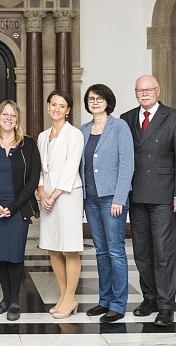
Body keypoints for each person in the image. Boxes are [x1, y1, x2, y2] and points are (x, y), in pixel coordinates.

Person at [120, 75, 176, 327]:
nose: (145, 93)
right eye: (140, 90)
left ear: (158, 91)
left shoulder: (174, 117)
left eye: (149, 89)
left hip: (163, 194)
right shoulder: (126, 118)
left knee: (163, 251)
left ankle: (166, 305)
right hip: (136, 194)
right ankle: (148, 298)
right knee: (142, 251)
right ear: (135, 93)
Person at [0, 100, 41, 321]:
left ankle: (14, 301)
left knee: (14, 256)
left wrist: (12, 207)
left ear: (17, 119)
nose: (9, 118)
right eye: (5, 114)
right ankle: (5, 299)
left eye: (13, 115)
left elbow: (33, 179)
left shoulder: (28, 145)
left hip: (18, 209)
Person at [79, 84, 134, 323]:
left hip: (112, 200)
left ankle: (118, 304)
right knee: (100, 252)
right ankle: (104, 300)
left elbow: (127, 165)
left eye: (99, 98)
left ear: (108, 101)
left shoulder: (119, 126)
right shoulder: (82, 130)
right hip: (90, 199)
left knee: (115, 251)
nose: (95, 102)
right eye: (91, 99)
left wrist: (120, 198)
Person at [36, 90, 84, 319]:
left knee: (70, 247)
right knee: (53, 247)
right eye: (53, 104)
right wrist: (42, 192)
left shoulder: (74, 135)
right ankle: (65, 297)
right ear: (48, 107)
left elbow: (70, 169)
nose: (56, 109)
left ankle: (70, 296)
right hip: (48, 198)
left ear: (68, 110)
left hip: (67, 196)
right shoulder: (42, 136)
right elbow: (41, 170)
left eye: (61, 106)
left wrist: (53, 196)